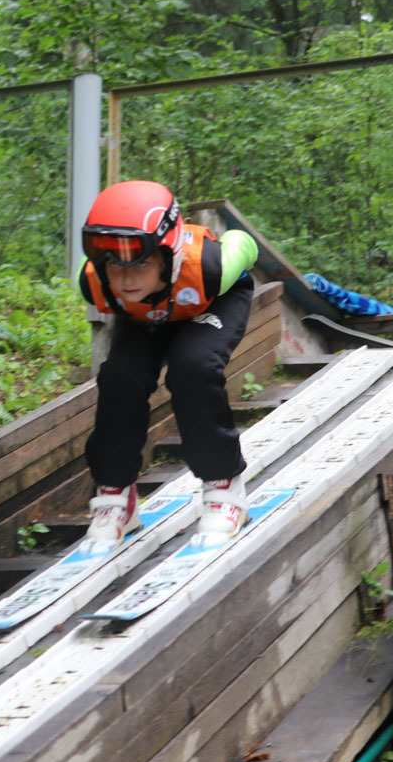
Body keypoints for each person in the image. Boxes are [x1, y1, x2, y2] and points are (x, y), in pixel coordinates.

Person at [77, 179, 258, 543]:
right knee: (120, 378)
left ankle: (225, 490)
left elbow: (245, 242)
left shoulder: (209, 266)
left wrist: (228, 251)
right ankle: (116, 496)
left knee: (193, 366)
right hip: (146, 312)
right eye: (112, 264)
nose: (125, 278)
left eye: (139, 262)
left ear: (168, 253)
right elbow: (122, 277)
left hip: (207, 302)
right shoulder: (96, 282)